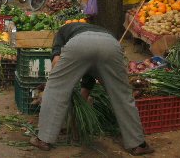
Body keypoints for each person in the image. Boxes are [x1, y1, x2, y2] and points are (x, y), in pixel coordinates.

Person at [30, 23, 153, 155]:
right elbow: (91, 69)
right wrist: (83, 95)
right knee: (122, 95)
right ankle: (138, 144)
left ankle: (43, 139)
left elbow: (56, 61)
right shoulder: (102, 29)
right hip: (110, 45)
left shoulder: (61, 32)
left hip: (79, 44)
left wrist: (61, 81)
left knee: (55, 88)